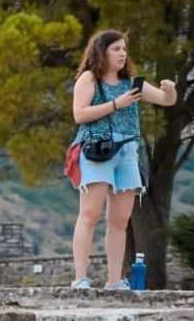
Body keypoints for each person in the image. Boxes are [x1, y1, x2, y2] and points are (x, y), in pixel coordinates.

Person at [69, 29, 176, 290]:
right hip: (97, 150)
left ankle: (115, 280)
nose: (122, 53)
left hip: (127, 152)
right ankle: (80, 278)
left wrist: (170, 90)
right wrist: (117, 104)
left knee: (119, 220)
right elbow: (79, 114)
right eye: (116, 48)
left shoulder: (132, 83)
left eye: (124, 49)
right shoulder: (89, 78)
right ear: (101, 51)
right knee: (90, 214)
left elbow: (165, 101)